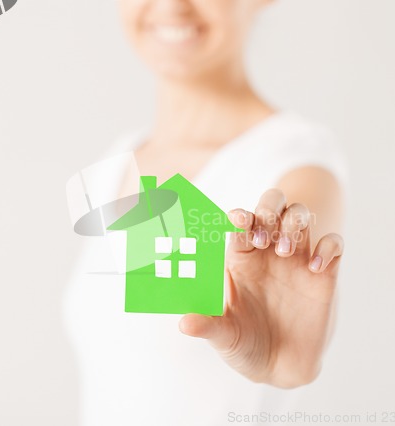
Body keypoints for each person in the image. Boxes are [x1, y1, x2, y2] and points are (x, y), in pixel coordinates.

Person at [64, 0, 348, 424]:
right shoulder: (118, 160)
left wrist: (280, 358)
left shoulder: (295, 161)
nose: (172, 6)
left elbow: (304, 221)